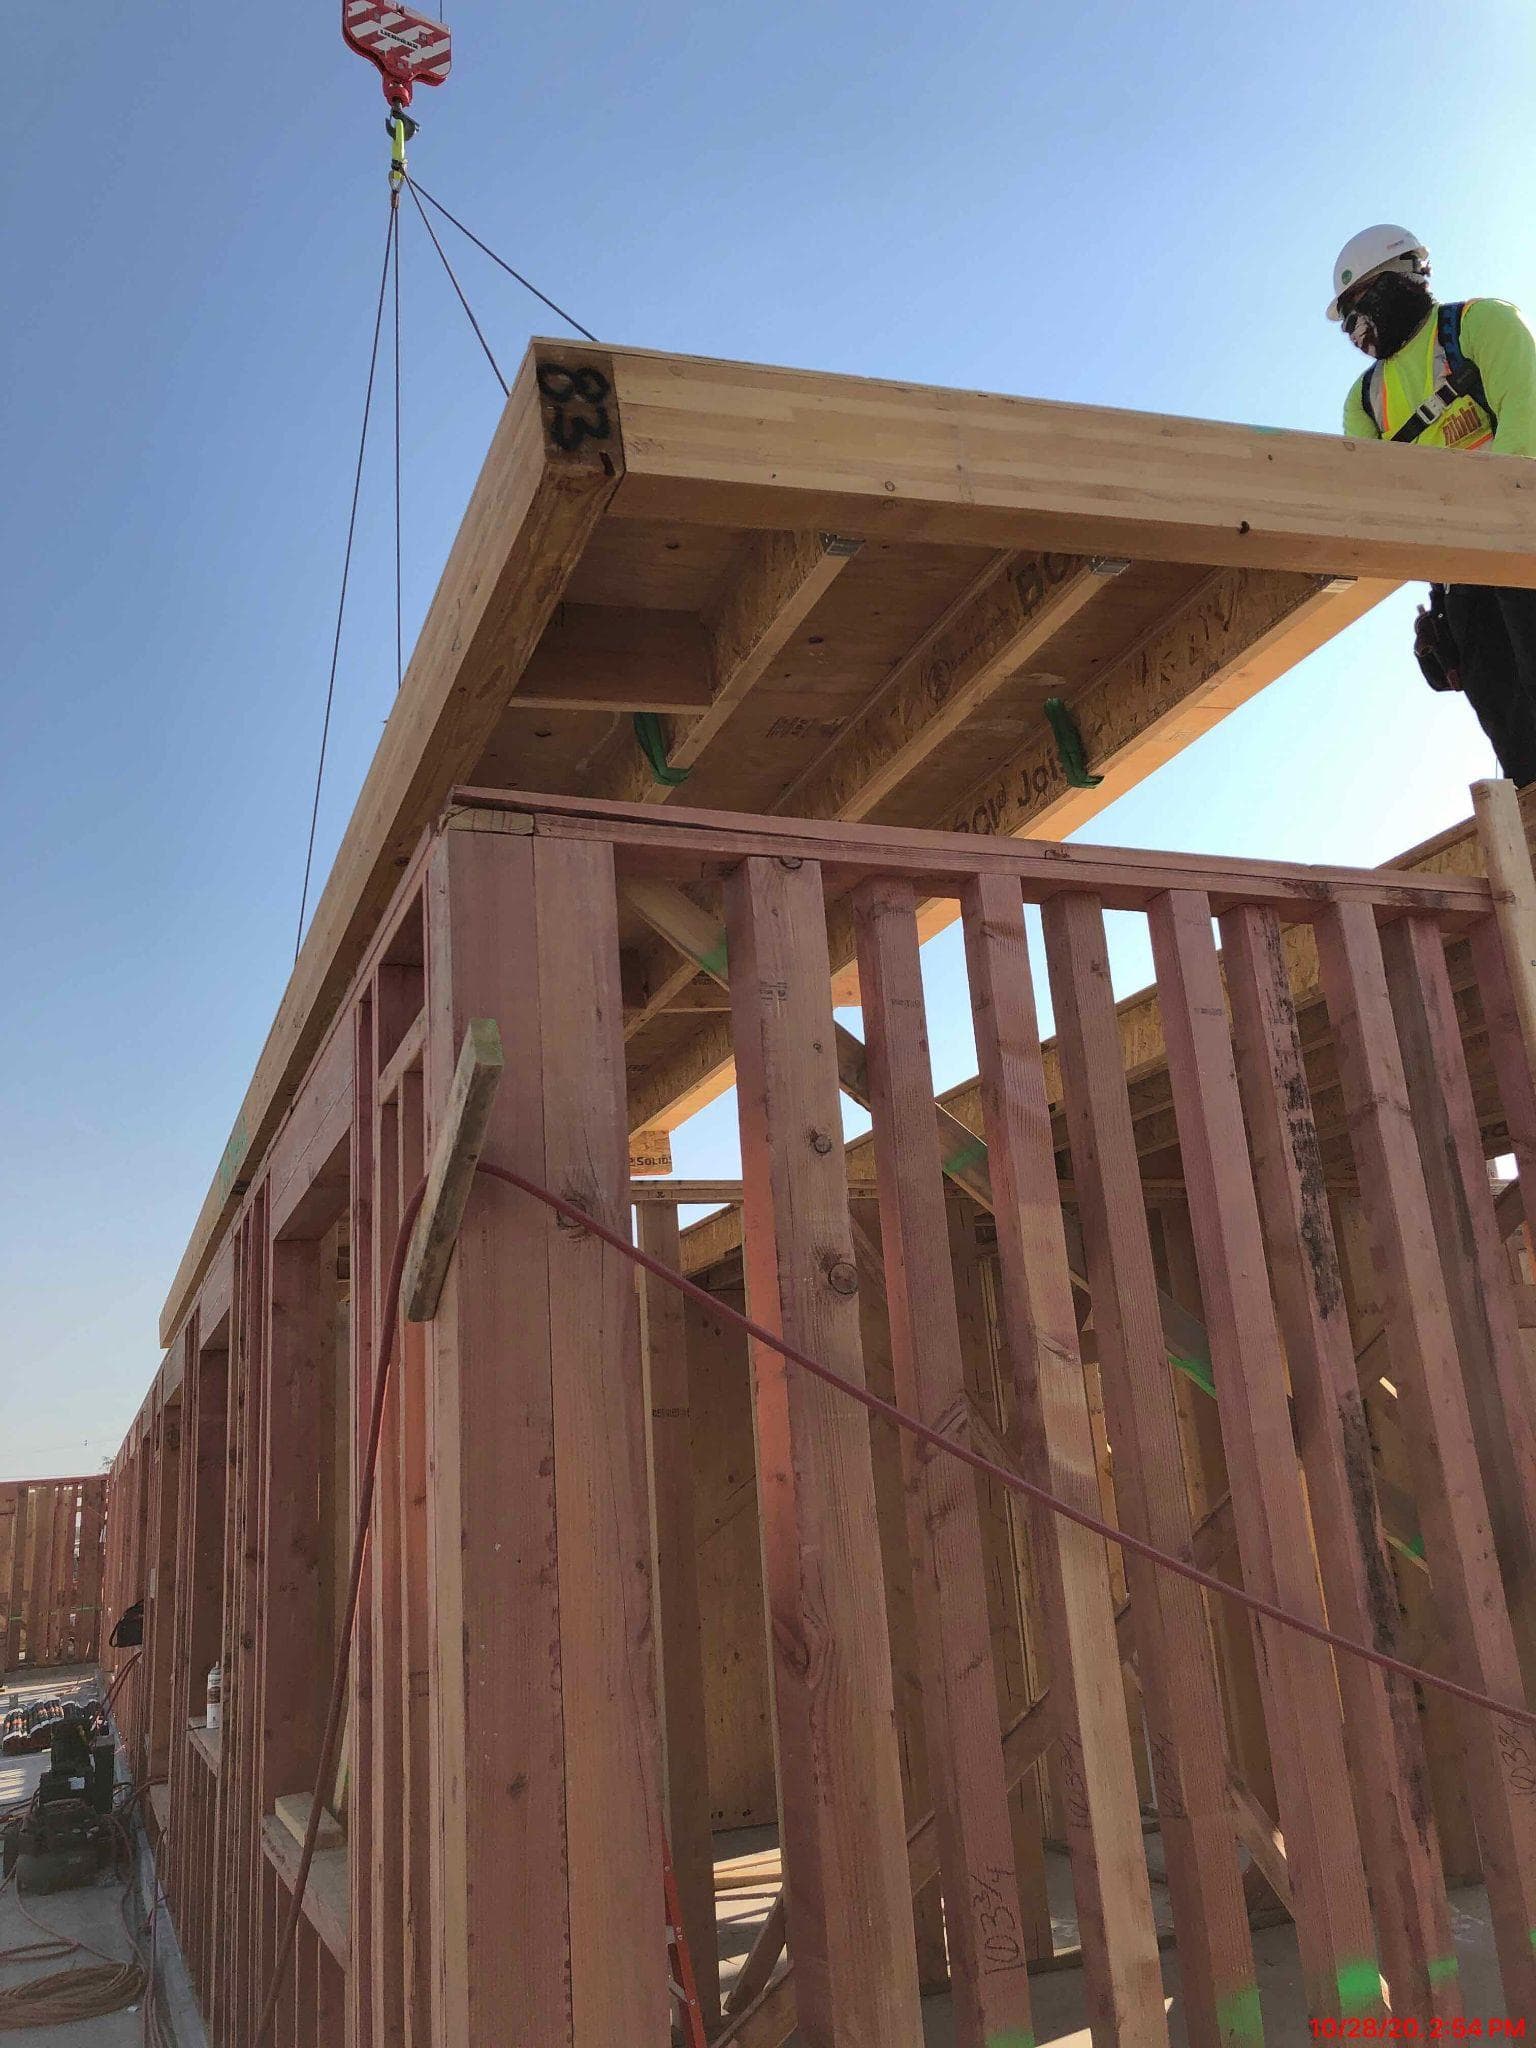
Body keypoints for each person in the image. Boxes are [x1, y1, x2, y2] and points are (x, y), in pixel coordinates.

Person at [1330, 224, 1536, 784]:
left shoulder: (1478, 324)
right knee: (1509, 723)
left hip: (1523, 537)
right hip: (1459, 570)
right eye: (1345, 318)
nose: (1354, 328)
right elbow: (1377, 501)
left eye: (1358, 306)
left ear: (1402, 277)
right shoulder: (1365, 399)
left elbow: (1526, 431)